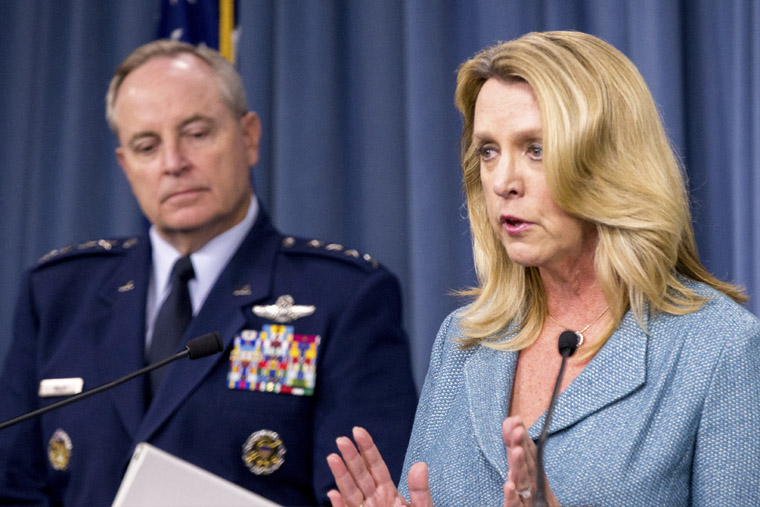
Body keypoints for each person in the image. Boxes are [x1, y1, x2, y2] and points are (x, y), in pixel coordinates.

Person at [325, 31, 760, 506]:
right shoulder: (465, 341)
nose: (504, 182)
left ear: (609, 160)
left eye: (535, 149)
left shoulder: (720, 348)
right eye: (488, 151)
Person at [0, 39, 418, 506]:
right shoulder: (57, 294)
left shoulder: (344, 296)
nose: (173, 163)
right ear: (125, 164)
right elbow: (13, 489)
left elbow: (365, 498)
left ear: (249, 137)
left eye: (197, 133)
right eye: (147, 145)